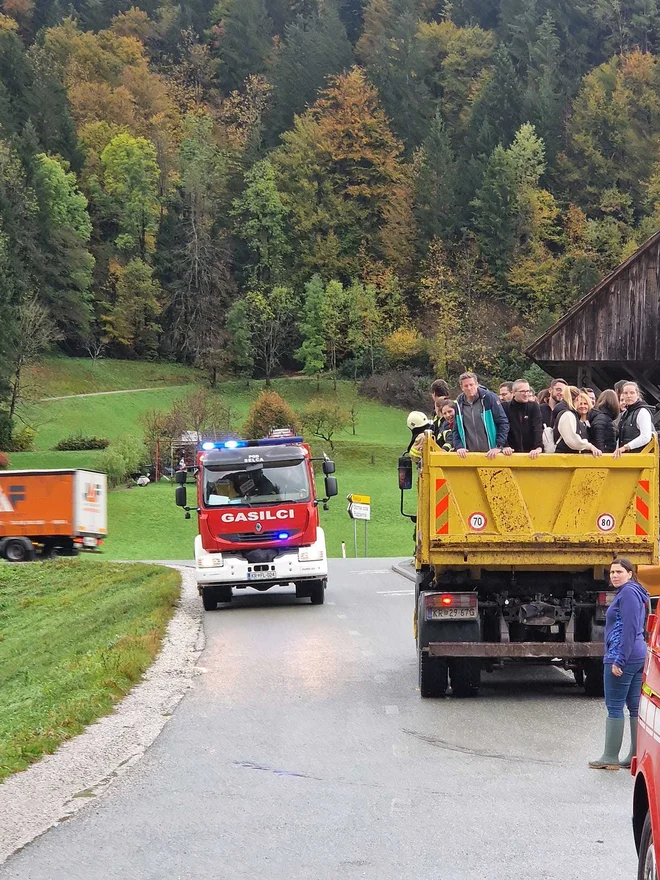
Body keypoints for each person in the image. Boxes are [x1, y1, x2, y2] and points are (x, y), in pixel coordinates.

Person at [589, 558, 649, 770]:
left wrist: (619, 660)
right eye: (612, 572)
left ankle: (610, 757)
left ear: (630, 573)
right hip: (637, 654)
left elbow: (630, 628)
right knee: (633, 706)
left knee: (614, 706)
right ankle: (633, 755)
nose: (614, 575)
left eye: (619, 572)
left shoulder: (628, 594)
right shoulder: (636, 592)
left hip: (623, 655)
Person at [451, 371, 509, 460]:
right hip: (469, 455)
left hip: (491, 454)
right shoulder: (458, 404)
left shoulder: (489, 398)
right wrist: (459, 447)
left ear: (477, 384)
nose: (469, 388)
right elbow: (456, 429)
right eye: (466, 386)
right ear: (461, 388)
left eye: (471, 384)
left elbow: (503, 423)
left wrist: (498, 446)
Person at [553, 386, 602, 455]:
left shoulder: (570, 414)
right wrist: (589, 446)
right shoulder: (568, 415)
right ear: (577, 398)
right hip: (564, 459)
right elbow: (572, 440)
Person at [502, 379, 543, 458]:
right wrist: (505, 445)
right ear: (513, 393)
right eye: (523, 391)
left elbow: (537, 427)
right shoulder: (505, 407)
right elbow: (502, 427)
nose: (526, 394)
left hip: (531, 453)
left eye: (528, 391)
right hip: (511, 452)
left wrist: (538, 447)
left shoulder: (534, 406)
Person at [614, 382, 655, 457]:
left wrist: (625, 447)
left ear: (637, 394)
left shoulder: (642, 412)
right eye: (625, 393)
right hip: (628, 457)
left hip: (639, 458)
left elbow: (646, 437)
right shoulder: (626, 413)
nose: (629, 396)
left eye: (632, 393)